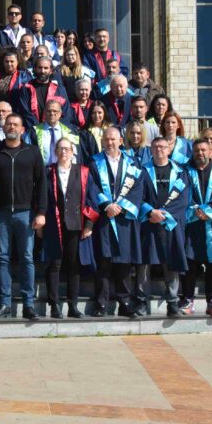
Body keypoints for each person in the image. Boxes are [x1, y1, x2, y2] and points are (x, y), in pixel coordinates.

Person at [0, 113, 47, 320]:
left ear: (22, 129)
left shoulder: (32, 152)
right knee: (2, 258)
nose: (12, 127)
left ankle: (28, 304)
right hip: (0, 214)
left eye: (16, 124)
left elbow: (42, 184)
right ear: (3, 128)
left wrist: (41, 212)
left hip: (26, 213)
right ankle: (5, 303)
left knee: (27, 258)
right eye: (8, 124)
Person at [85, 126, 144, 318]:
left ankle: (124, 302)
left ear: (121, 141)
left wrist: (120, 207)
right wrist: (106, 205)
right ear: (102, 141)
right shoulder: (94, 162)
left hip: (124, 219)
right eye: (106, 139)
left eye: (113, 139)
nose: (110, 142)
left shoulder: (132, 162)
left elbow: (138, 188)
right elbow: (91, 186)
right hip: (104, 218)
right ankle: (101, 303)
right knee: (104, 262)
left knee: (124, 262)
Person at [40, 138, 96, 319]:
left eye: (67, 149)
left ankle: (73, 305)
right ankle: (54, 305)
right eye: (60, 148)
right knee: (54, 264)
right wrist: (39, 222)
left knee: (73, 265)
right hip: (52, 225)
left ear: (73, 152)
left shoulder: (83, 172)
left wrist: (89, 225)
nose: (64, 152)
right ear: (55, 151)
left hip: (76, 225)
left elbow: (92, 199)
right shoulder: (48, 172)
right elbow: (40, 198)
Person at [139, 137, 191, 317]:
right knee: (144, 264)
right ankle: (142, 302)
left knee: (171, 263)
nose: (159, 150)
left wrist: (163, 215)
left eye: (162, 147)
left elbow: (183, 199)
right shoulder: (143, 171)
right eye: (155, 147)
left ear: (169, 149)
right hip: (148, 223)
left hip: (171, 225)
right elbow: (138, 196)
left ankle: (172, 302)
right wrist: (150, 212)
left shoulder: (180, 171)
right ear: (150, 150)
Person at [181, 139, 212, 317]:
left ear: (211, 152)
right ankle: (188, 300)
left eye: (203, 150)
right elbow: (182, 195)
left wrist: (207, 212)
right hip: (191, 225)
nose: (200, 153)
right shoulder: (185, 172)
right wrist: (197, 212)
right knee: (190, 264)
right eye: (196, 150)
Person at [14, 56, 68, 127]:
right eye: (40, 68)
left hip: (54, 129)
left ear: (51, 70)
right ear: (35, 69)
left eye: (46, 68)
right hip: (32, 129)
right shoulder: (26, 88)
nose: (42, 71)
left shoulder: (60, 90)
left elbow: (66, 113)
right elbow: (25, 112)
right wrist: (38, 128)